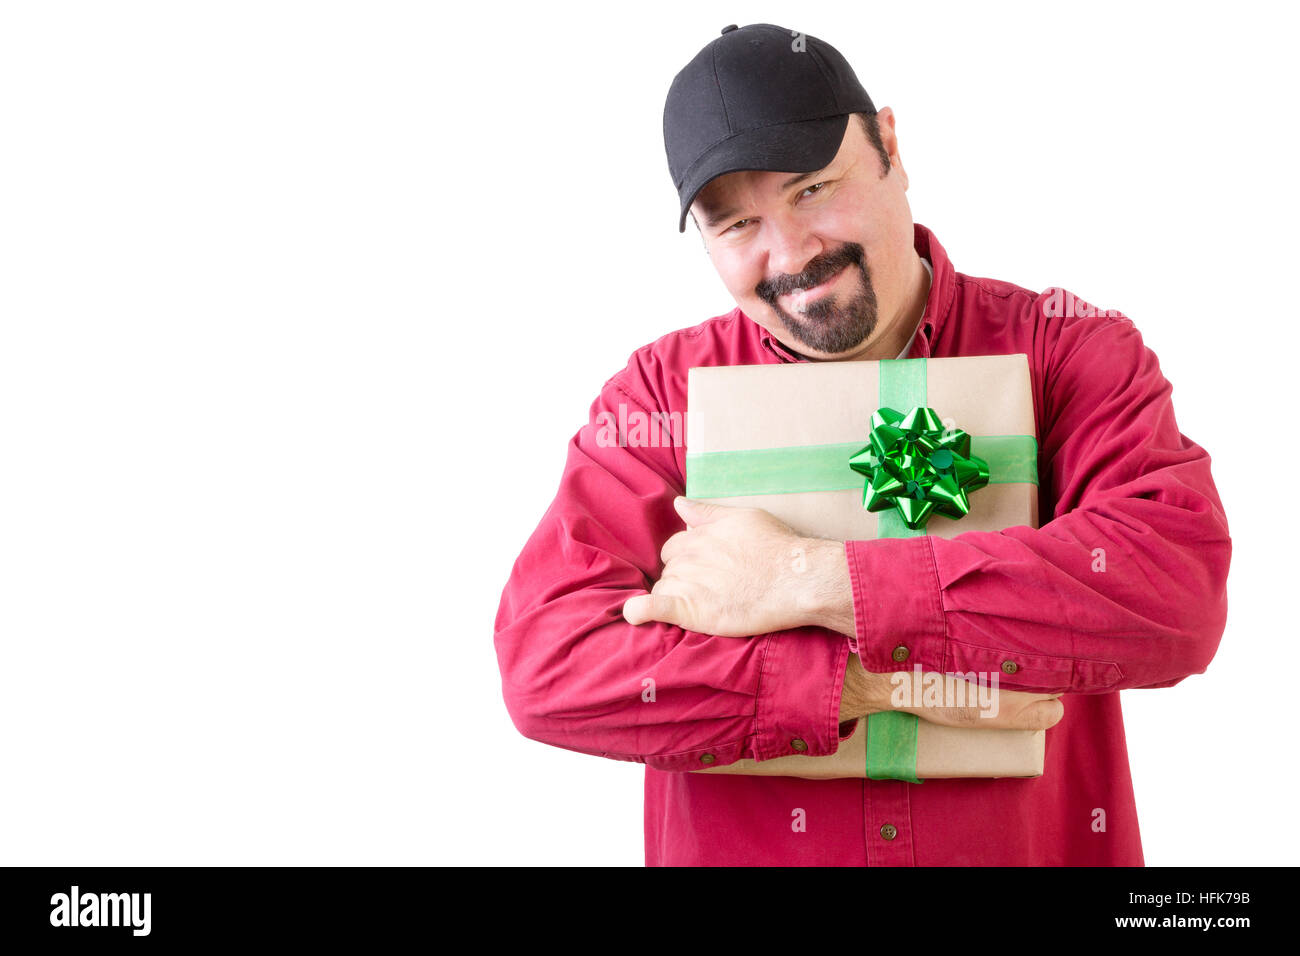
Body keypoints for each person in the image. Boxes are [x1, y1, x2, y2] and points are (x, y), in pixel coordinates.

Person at [493, 23, 1231, 866]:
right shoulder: (662, 398)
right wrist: (873, 683)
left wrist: (802, 579)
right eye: (737, 224)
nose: (790, 253)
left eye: (812, 189)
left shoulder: (1067, 352)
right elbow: (549, 668)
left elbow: (1173, 594)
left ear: (889, 145)